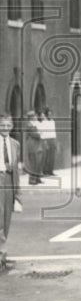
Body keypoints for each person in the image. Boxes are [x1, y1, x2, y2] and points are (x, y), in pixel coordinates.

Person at [0, 113, 21, 270]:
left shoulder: (15, 144)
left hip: (9, 183)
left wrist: (17, 194)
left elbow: (16, 171)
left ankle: (2, 252)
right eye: (2, 125)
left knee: (6, 218)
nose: (5, 128)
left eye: (8, 125)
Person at [24, 110, 44, 186]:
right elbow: (35, 135)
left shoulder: (34, 124)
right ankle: (32, 179)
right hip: (32, 146)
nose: (36, 117)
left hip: (37, 145)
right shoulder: (29, 125)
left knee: (38, 162)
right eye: (34, 116)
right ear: (31, 117)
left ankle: (37, 178)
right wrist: (40, 133)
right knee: (33, 163)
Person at [40, 109, 57, 175]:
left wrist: (55, 141)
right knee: (46, 157)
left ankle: (51, 171)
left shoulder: (52, 121)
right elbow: (43, 132)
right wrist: (44, 141)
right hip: (46, 140)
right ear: (46, 115)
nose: (50, 115)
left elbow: (54, 131)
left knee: (52, 157)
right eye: (49, 114)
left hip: (52, 139)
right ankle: (45, 171)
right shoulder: (44, 122)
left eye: (51, 114)